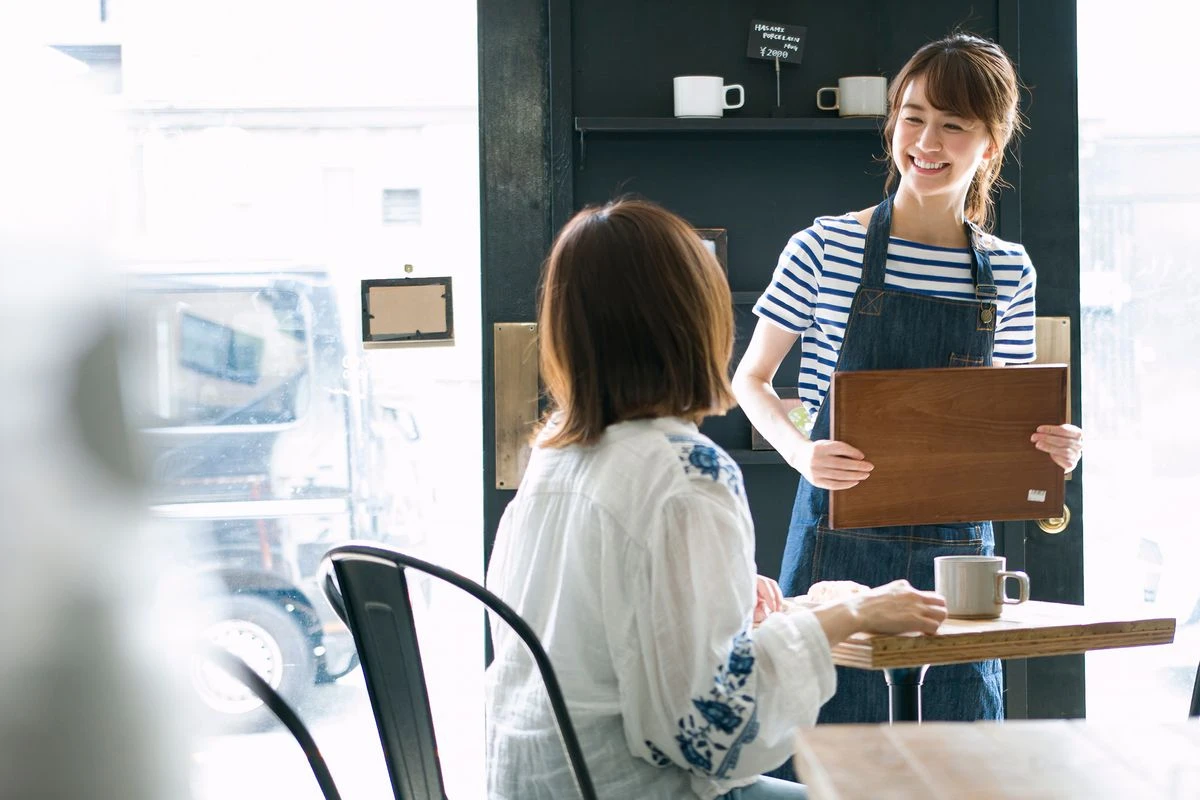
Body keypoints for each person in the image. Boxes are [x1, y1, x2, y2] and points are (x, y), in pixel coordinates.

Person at [484, 197, 949, 800]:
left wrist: (739, 601)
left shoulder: (555, 459)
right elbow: (709, 736)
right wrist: (850, 616)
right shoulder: (686, 472)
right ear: (695, 319)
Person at [732, 31, 1085, 735]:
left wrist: (1052, 447)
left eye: (953, 124)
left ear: (989, 144)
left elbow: (1004, 417)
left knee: (964, 752)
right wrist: (802, 452)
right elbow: (751, 380)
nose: (927, 140)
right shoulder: (823, 247)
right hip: (838, 536)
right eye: (914, 116)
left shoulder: (1009, 271)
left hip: (961, 548)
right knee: (832, 745)